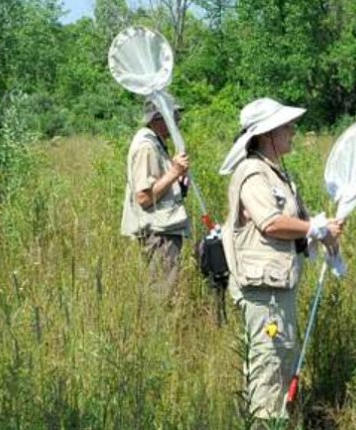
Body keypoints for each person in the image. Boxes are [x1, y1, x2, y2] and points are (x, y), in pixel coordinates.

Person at [219, 98, 344, 421]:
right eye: (286, 127)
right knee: (268, 364)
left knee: (280, 360)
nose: (293, 131)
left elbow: (295, 225)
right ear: (267, 134)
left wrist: (320, 231)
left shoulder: (277, 173)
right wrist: (314, 228)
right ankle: (265, 423)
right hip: (263, 292)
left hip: (277, 287)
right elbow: (271, 222)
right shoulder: (252, 172)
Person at [120, 101, 190, 298]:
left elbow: (157, 188)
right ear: (159, 119)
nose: (178, 121)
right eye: (174, 117)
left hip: (163, 230)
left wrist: (178, 184)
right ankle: (160, 329)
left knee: (164, 292)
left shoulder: (155, 142)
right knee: (162, 295)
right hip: (159, 234)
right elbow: (143, 197)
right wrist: (175, 171)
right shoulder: (146, 147)